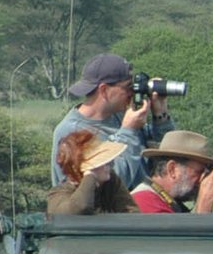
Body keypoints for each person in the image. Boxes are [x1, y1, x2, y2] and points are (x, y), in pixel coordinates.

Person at [51, 53, 175, 190]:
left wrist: (160, 116)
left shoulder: (120, 118)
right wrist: (129, 131)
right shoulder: (71, 131)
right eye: (127, 87)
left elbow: (165, 159)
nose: (132, 93)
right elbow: (112, 185)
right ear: (104, 90)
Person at [132, 131, 213, 214]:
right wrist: (205, 203)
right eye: (199, 172)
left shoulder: (167, 203)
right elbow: (190, 237)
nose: (202, 180)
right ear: (172, 169)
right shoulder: (146, 202)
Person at [47, 130, 139, 214]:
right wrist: (90, 176)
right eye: (101, 162)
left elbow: (132, 214)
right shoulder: (58, 196)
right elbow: (80, 208)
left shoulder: (110, 183)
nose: (109, 164)